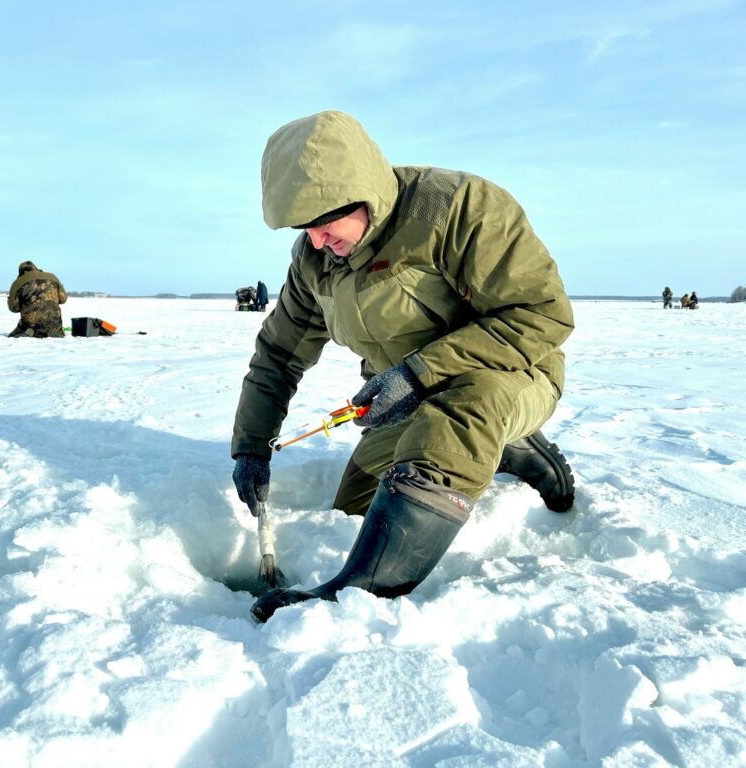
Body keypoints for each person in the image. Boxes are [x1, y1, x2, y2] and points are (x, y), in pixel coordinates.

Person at [230, 111, 576, 623]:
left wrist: (418, 374)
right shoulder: (314, 261)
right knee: (355, 512)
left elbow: (542, 316)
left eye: (325, 226)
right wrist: (251, 448)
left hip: (512, 375)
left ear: (361, 195)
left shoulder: (459, 209)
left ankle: (360, 593)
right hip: (402, 400)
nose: (317, 242)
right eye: (307, 231)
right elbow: (279, 355)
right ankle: (503, 448)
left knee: (467, 407)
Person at [7, 261, 67, 337]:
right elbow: (63, 299)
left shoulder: (18, 282)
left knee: (12, 336)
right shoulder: (52, 277)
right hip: (55, 328)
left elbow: (13, 308)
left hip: (31, 330)